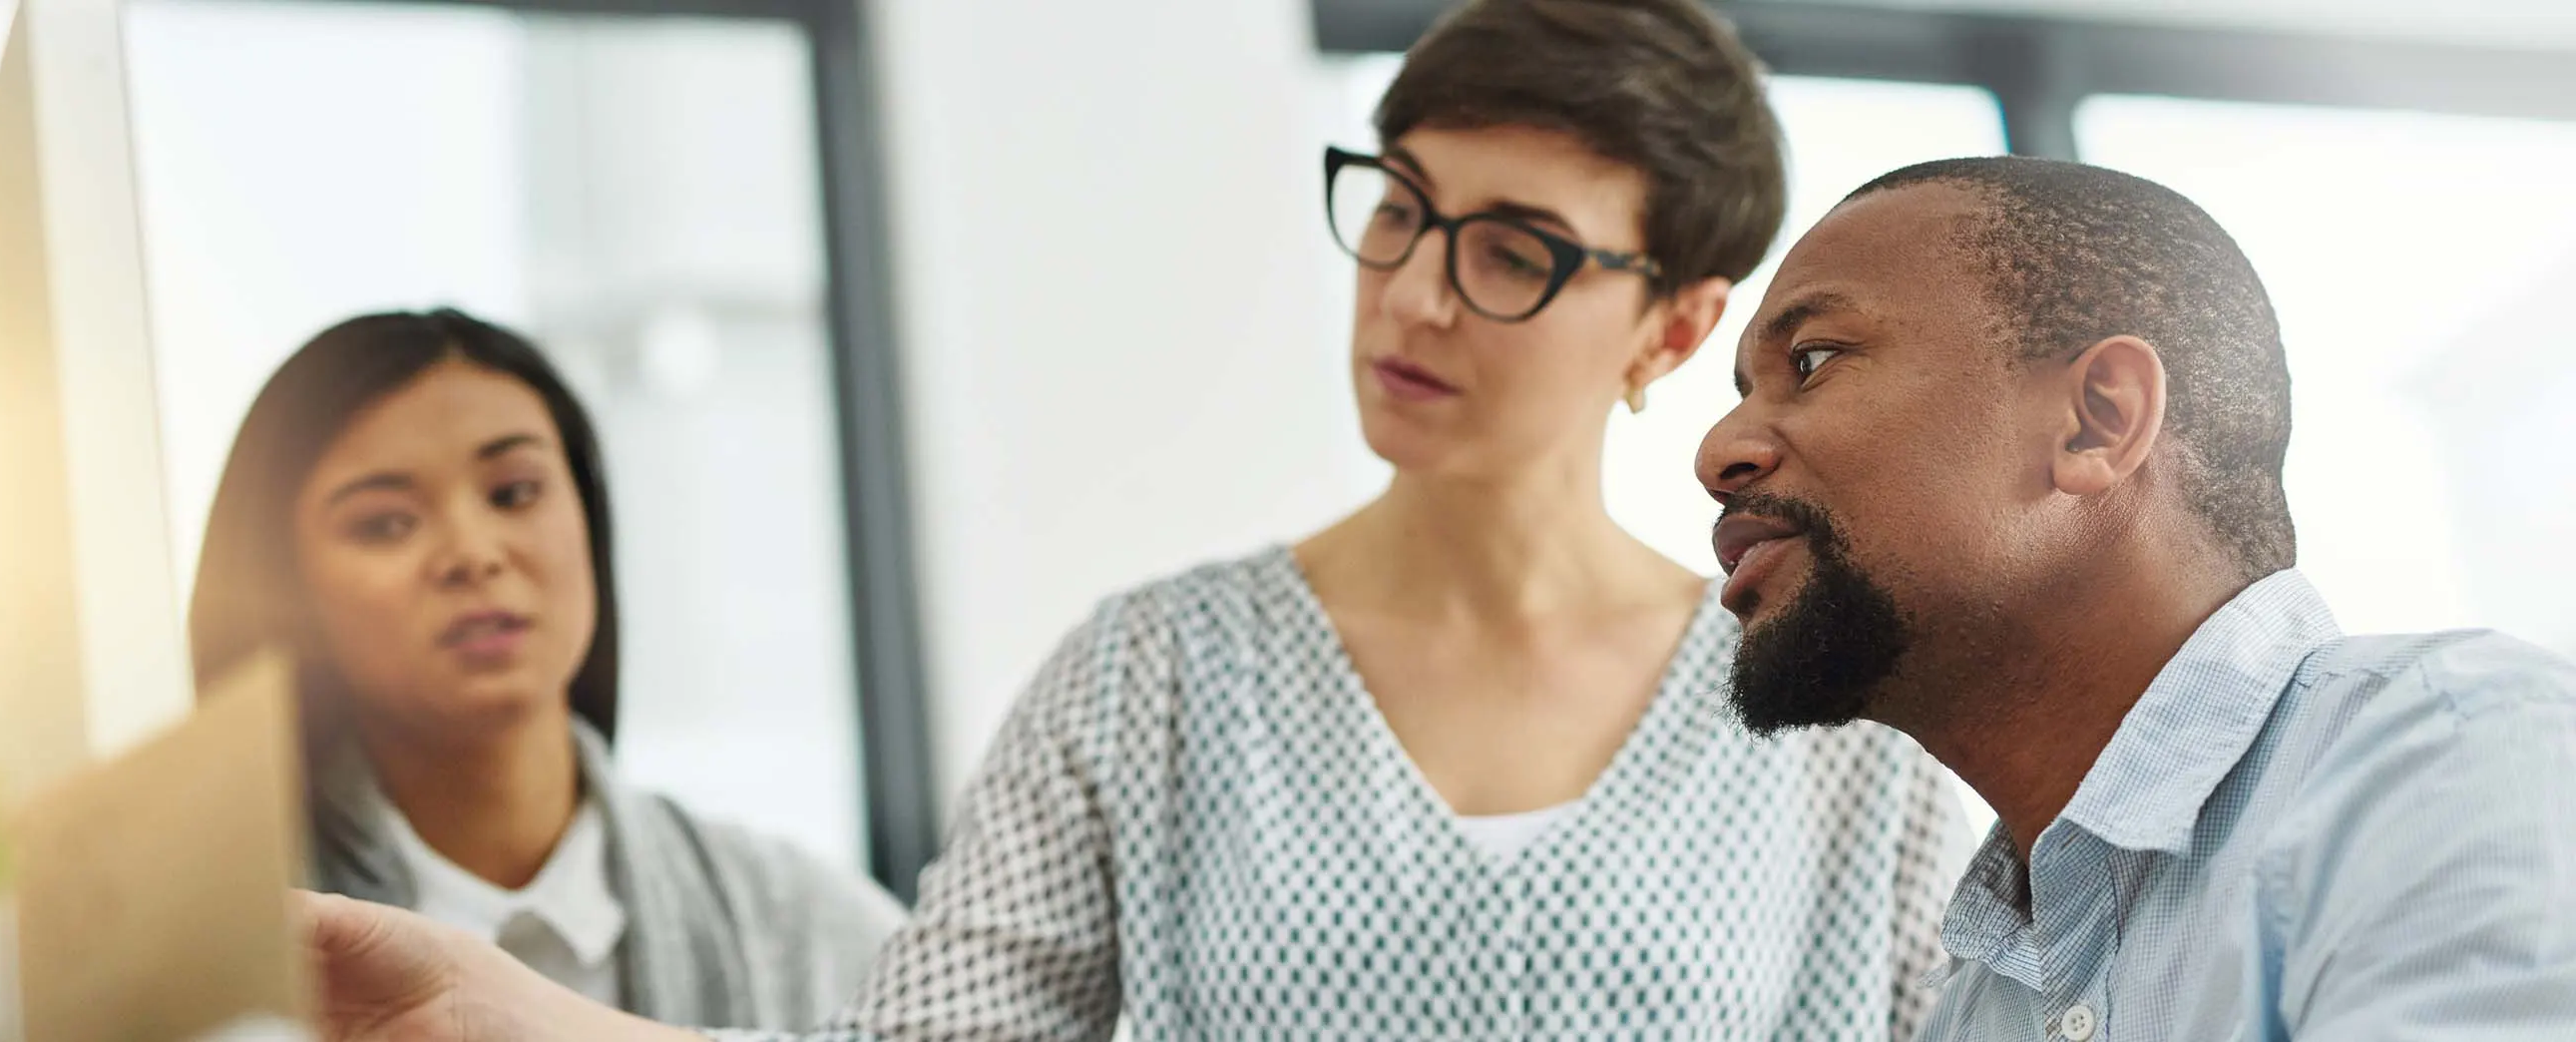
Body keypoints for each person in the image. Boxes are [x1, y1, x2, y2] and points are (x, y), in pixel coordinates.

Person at [285, 1, 1968, 1039]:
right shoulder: (1154, 674)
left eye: (1511, 249)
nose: (1412, 297)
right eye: (1395, 213)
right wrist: (523, 1015)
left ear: (1674, 323)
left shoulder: (1828, 721)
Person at [1695, 156, 2576, 1039]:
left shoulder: (2459, 762)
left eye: (1812, 361)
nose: (1715, 453)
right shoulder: (1974, 1005)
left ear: (2098, 420)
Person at [190, 308, 903, 1028]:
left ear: (588, 521)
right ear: (288, 588)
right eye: (387, 523)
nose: (473, 551)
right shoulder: (211, 953)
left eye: (514, 493)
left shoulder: (809, 928)